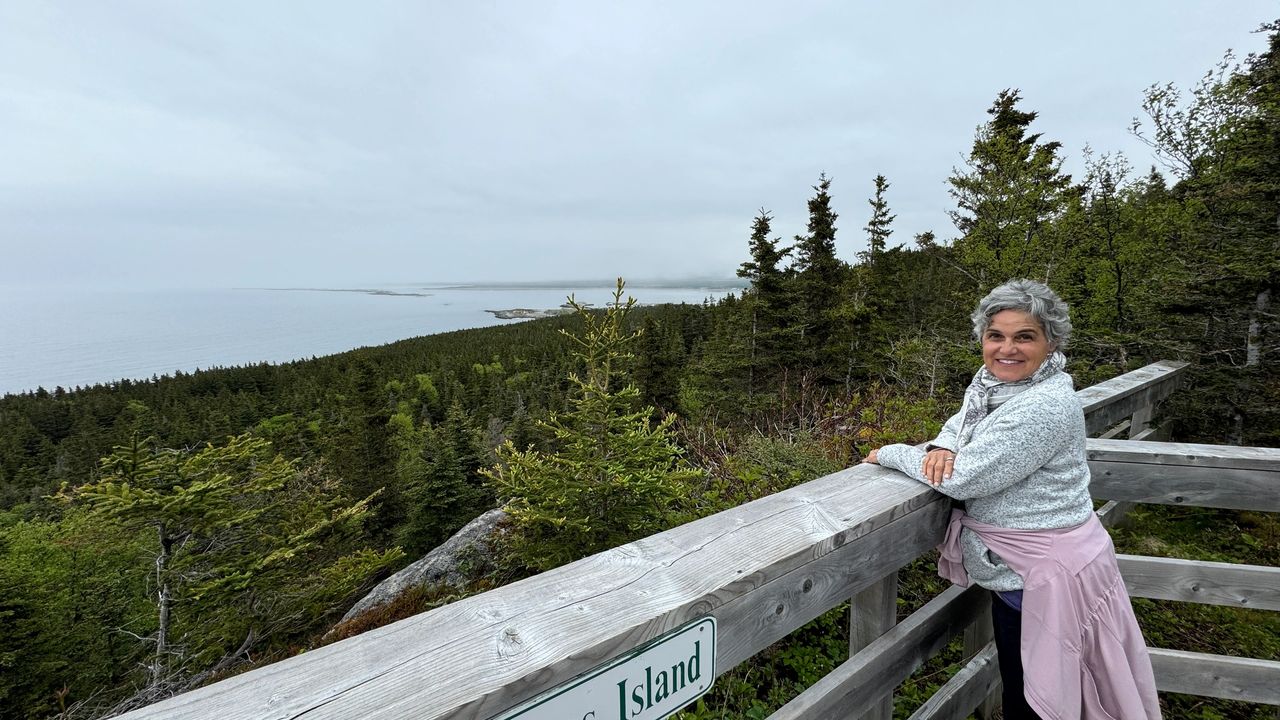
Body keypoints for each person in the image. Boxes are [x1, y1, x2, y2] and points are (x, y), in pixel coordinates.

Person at [863, 279, 1160, 719]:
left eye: (1025, 336)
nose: (1007, 348)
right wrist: (938, 448)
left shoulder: (1043, 405)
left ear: (1051, 341)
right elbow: (958, 431)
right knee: (1040, 687)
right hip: (1030, 570)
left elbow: (964, 477)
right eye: (995, 336)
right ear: (982, 339)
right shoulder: (991, 384)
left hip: (1046, 577)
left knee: (1040, 701)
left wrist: (888, 453)